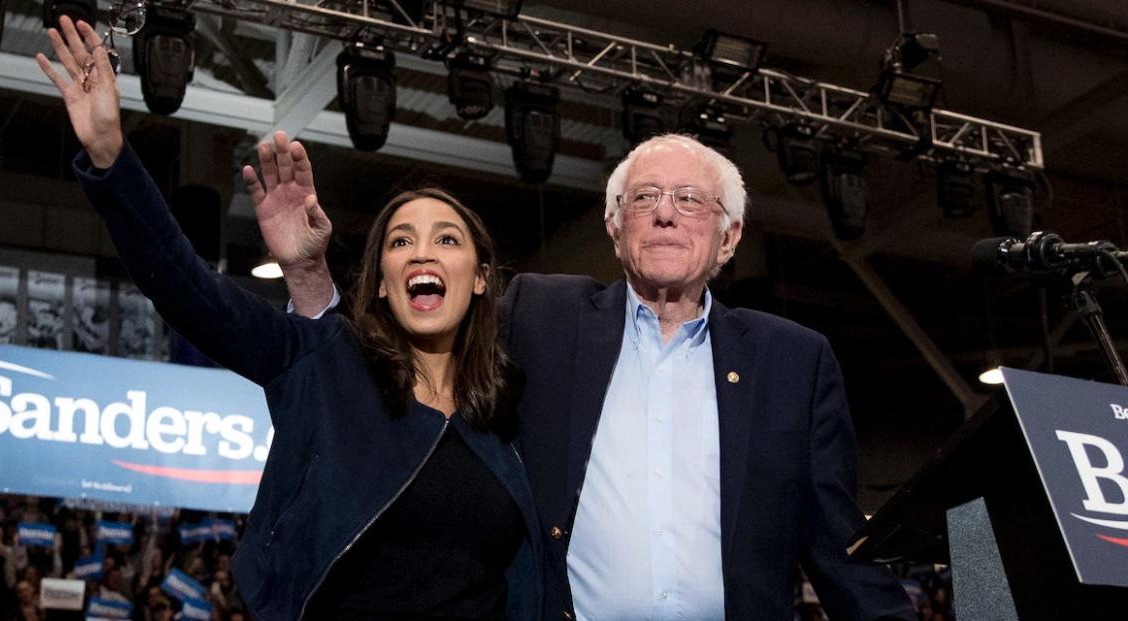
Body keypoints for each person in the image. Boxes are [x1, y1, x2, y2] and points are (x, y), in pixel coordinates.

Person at [278, 133, 914, 618]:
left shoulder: (794, 362)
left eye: (691, 201)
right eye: (644, 198)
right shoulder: (539, 316)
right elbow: (406, 338)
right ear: (615, 228)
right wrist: (309, 278)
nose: (665, 215)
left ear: (729, 237)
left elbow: (841, 551)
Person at [36, 16, 541, 621]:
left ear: (481, 277)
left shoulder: (510, 417)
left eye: (448, 240)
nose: (424, 252)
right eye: (401, 242)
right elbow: (190, 292)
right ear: (380, 283)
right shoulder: (327, 369)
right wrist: (111, 158)